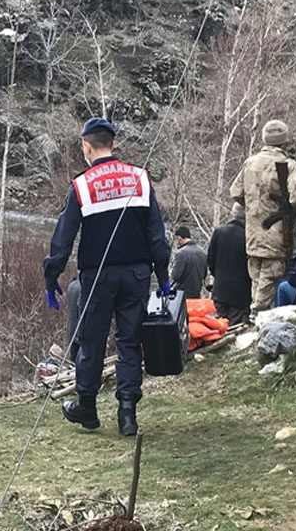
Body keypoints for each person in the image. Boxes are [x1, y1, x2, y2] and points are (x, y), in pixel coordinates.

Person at [43, 118, 171, 437]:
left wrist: (52, 276)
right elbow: (157, 235)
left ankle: (87, 407)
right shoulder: (140, 179)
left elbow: (63, 238)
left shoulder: (82, 185)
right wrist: (164, 275)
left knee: (93, 341)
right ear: (113, 145)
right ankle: (127, 413)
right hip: (138, 274)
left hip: (97, 276)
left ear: (87, 147)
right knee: (130, 342)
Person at [229, 120, 296, 316]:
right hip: (277, 234)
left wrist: (254, 207)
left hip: (252, 234)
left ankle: (254, 319)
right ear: (284, 140)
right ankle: (256, 317)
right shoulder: (288, 166)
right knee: (269, 280)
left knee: (257, 281)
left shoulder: (249, 163)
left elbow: (236, 191)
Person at [206, 204, 252, 326]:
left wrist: (218, 276)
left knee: (216, 328)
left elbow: (210, 258)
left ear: (232, 215)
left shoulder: (219, 232)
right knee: (234, 330)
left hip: (220, 290)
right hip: (241, 293)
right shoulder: (249, 237)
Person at [170, 225, 208, 299]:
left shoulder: (181, 253)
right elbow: (204, 274)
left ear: (179, 238)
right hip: (196, 294)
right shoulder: (202, 252)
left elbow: (175, 276)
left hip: (181, 295)